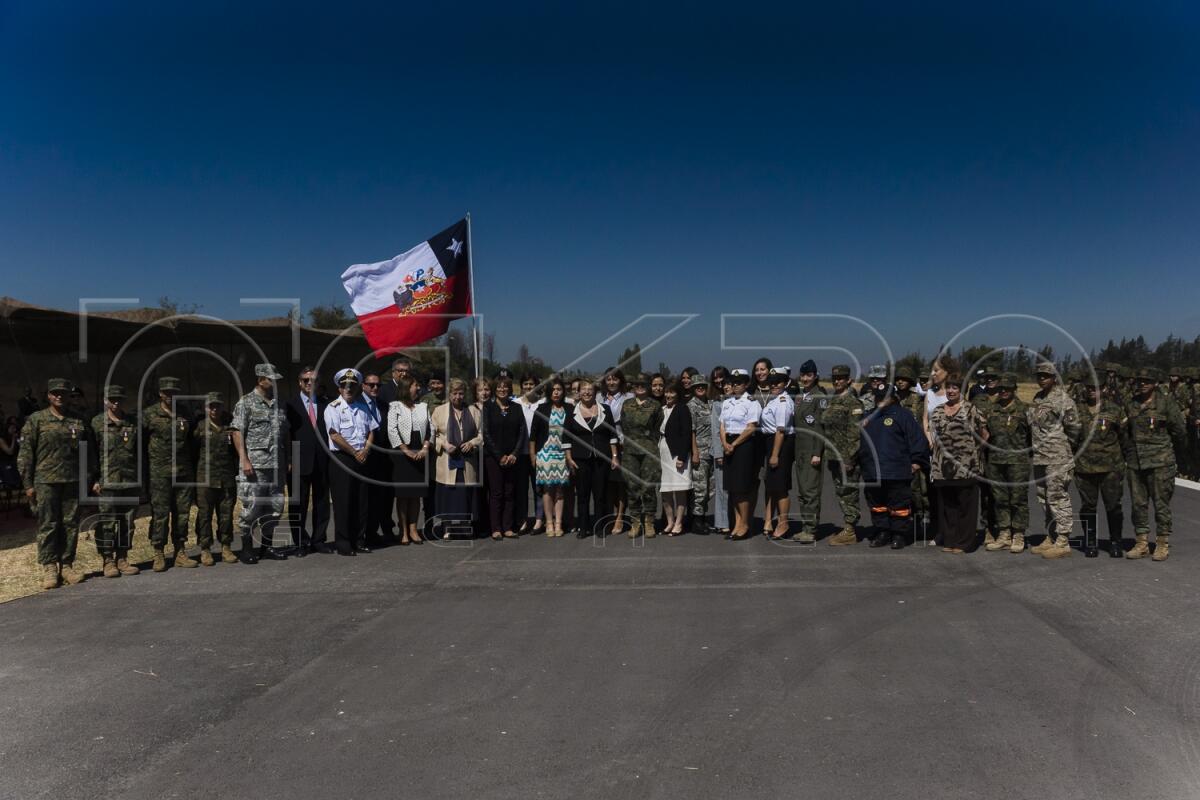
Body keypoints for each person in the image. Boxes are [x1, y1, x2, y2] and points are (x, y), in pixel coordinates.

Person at [19, 378, 91, 590]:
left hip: (72, 481)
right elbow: (25, 455)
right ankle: (50, 566)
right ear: (48, 395)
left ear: (69, 395)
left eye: (63, 392)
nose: (59, 396)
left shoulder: (78, 421)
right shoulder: (36, 420)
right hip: (46, 481)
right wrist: (28, 485)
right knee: (48, 524)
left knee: (70, 524)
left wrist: (88, 477)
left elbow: (87, 453)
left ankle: (67, 565)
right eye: (55, 393)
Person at [1123, 366, 1186, 560]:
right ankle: (1141, 542)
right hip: (1136, 462)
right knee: (1138, 504)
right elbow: (1126, 432)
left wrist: (1170, 454)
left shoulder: (1166, 404)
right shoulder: (1131, 404)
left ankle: (1162, 543)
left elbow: (1179, 432)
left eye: (1147, 381)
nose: (1142, 384)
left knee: (1161, 504)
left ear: (1155, 383)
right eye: (1140, 381)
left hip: (1160, 462)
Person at [860, 381, 930, 549]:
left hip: (896, 470)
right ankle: (883, 532)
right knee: (877, 505)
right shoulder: (868, 417)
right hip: (873, 471)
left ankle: (899, 534)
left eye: (884, 397)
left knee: (899, 505)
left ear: (893, 398)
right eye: (878, 397)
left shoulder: (903, 415)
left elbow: (917, 439)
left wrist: (917, 461)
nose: (880, 400)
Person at [231, 364, 290, 564]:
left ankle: (267, 547)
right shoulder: (246, 402)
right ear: (260, 380)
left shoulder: (279, 404)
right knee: (251, 508)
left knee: (274, 508)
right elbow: (237, 432)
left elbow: (284, 435)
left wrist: (287, 460)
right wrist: (244, 459)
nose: (274, 382)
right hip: (254, 467)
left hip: (276, 466)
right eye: (270, 379)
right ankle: (246, 549)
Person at [928, 373, 988, 554]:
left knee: (966, 506)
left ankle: (963, 543)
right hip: (942, 467)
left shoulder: (971, 409)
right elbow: (933, 433)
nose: (951, 391)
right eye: (949, 387)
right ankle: (950, 539)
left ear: (962, 390)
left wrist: (974, 452)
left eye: (955, 388)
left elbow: (984, 434)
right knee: (947, 506)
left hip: (966, 467)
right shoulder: (938, 410)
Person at [1027, 361, 1081, 560]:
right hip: (1040, 456)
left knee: (1058, 497)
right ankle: (1050, 535)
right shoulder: (1038, 398)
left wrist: (1065, 449)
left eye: (1046, 375)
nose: (1042, 379)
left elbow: (1074, 428)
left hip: (1057, 456)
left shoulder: (1063, 399)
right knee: (1043, 498)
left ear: (1054, 377)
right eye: (1039, 375)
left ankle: (1063, 540)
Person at [143, 376, 197, 571]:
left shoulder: (185, 414)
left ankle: (180, 551)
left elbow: (192, 442)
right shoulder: (148, 415)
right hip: (159, 474)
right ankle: (158, 552)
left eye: (174, 392)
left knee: (182, 513)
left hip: (183, 473)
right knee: (160, 514)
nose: (170, 396)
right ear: (160, 393)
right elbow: (140, 443)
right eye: (167, 393)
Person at [1073, 371, 1128, 558]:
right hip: (1084, 467)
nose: (1091, 391)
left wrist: (1123, 464)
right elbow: (1071, 438)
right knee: (1088, 507)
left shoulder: (1114, 410)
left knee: (1113, 506)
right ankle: (1090, 542)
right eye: (1088, 388)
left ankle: (1115, 542)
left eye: (1095, 388)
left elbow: (1124, 437)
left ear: (1104, 388)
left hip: (1110, 467)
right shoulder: (1077, 410)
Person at [89, 384, 141, 577]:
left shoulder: (132, 423)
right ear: (105, 401)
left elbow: (139, 453)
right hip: (107, 482)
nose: (116, 402)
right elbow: (91, 453)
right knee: (107, 522)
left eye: (119, 399)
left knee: (127, 522)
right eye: (112, 399)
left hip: (129, 481)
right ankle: (108, 560)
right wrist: (94, 479)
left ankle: (122, 558)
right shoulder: (96, 423)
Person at [981, 373, 1032, 554]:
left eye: (1007, 388)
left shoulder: (1024, 410)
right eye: (1001, 388)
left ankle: (1018, 534)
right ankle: (1004, 533)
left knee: (1018, 499)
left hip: (1017, 462)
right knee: (1000, 499)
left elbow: (1032, 437)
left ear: (1014, 389)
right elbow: (985, 434)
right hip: (995, 461)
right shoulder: (991, 410)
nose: (1003, 391)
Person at [284, 366, 332, 555]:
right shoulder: (289, 405)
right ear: (299, 383)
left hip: (322, 461)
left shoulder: (327, 404)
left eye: (313, 380)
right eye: (305, 380)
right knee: (298, 504)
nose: (309, 383)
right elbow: (285, 434)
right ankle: (300, 542)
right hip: (297, 461)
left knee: (321, 502)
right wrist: (288, 458)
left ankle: (318, 540)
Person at [563, 379, 619, 538]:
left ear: (595, 392)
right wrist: (569, 458)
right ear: (578, 392)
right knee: (582, 495)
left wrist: (614, 456)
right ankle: (583, 527)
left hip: (602, 458)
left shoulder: (605, 410)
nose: (587, 392)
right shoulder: (571, 412)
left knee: (600, 494)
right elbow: (566, 438)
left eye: (590, 390)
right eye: (583, 390)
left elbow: (612, 435)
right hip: (580, 459)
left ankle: (600, 526)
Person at [431, 378, 483, 539]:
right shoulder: (439, 411)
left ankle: (464, 527)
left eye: (461, 393)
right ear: (449, 394)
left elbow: (481, 435)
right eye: (454, 394)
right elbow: (432, 435)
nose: (458, 397)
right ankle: (447, 528)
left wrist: (472, 443)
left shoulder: (474, 411)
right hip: (447, 461)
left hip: (467, 461)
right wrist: (444, 444)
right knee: (449, 495)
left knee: (465, 495)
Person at [193, 392, 239, 566]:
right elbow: (192, 452)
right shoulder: (199, 427)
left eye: (217, 406)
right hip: (205, 479)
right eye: (211, 406)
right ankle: (205, 549)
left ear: (222, 407)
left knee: (226, 515)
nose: (214, 409)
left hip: (226, 478)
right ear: (206, 408)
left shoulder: (230, 427)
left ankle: (226, 547)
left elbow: (235, 452)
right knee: (204, 515)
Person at [482, 375, 528, 539]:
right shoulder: (488, 407)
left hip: (512, 457)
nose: (502, 390)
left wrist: (514, 453)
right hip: (493, 457)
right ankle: (496, 528)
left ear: (510, 389)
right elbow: (486, 434)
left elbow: (522, 432)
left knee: (509, 492)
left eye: (505, 387)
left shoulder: (516, 407)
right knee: (496, 493)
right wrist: (499, 455)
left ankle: (508, 527)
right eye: (499, 387)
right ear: (495, 389)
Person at [386, 376, 430, 545]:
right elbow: (392, 430)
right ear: (406, 388)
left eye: (418, 385)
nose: (418, 388)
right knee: (403, 496)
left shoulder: (423, 406)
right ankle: (403, 530)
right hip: (402, 455)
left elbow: (430, 430)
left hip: (420, 452)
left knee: (416, 495)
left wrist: (425, 448)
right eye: (415, 385)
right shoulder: (395, 406)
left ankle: (413, 528)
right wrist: (406, 451)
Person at [823, 364, 863, 546]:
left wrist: (850, 458)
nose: (837, 381)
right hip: (833, 455)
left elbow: (855, 433)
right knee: (841, 492)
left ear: (849, 380)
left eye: (841, 378)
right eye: (834, 378)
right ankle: (848, 527)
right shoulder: (834, 399)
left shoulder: (852, 402)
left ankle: (850, 530)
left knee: (849, 492)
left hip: (846, 457)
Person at [620, 374, 663, 539]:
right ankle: (635, 521)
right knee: (632, 487)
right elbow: (624, 426)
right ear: (633, 387)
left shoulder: (655, 405)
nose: (640, 387)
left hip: (649, 450)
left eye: (643, 384)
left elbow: (657, 425)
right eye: (637, 384)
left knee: (649, 487)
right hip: (630, 450)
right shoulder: (627, 404)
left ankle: (649, 521)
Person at [719, 369, 760, 540]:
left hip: (743, 445)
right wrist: (725, 443)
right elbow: (722, 425)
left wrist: (734, 444)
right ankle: (737, 523)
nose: (734, 386)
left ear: (746, 384)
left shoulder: (751, 403)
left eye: (738, 383)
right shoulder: (727, 403)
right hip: (728, 444)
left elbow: (751, 427)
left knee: (742, 488)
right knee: (732, 488)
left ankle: (744, 523)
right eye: (732, 383)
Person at [530, 378, 572, 536]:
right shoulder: (542, 408)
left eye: (559, 389)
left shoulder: (569, 408)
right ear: (549, 392)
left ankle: (558, 523)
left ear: (563, 391)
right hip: (545, 454)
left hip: (562, 454)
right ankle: (548, 523)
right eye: (553, 389)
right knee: (547, 490)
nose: (556, 392)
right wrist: (533, 455)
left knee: (560, 491)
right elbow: (533, 435)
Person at [791, 360, 827, 544]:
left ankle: (811, 530)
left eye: (809, 375)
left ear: (815, 376)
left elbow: (820, 428)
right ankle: (805, 526)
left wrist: (817, 452)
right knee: (803, 491)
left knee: (811, 491)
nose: (805, 378)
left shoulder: (819, 397)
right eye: (803, 375)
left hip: (812, 450)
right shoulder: (801, 396)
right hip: (800, 451)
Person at [894, 366, 929, 538]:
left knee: (918, 491)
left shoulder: (918, 401)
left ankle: (919, 522)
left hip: (913, 452)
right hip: (896, 452)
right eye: (898, 379)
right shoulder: (891, 399)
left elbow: (923, 427)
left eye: (904, 379)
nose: (900, 381)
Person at [360, 373, 394, 547]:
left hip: (382, 457)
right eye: (371, 385)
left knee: (379, 498)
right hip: (364, 457)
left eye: (378, 385)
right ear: (363, 386)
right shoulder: (357, 404)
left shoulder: (383, 405)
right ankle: (363, 534)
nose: (375, 388)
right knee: (364, 498)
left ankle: (373, 533)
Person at [761, 367, 795, 539]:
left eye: (778, 382)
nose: (774, 385)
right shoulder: (774, 400)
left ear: (786, 382)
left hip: (780, 444)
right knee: (774, 486)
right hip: (771, 442)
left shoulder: (783, 402)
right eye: (772, 382)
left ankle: (783, 523)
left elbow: (780, 431)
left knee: (781, 487)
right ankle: (777, 522)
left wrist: (775, 455)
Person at [601, 368, 634, 535]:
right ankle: (610, 515)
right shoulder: (599, 398)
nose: (611, 382)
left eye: (614, 379)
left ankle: (620, 517)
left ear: (620, 381)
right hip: (602, 446)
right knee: (607, 484)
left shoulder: (629, 398)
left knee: (621, 484)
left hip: (622, 445)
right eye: (608, 379)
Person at [658, 382, 692, 536]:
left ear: (677, 394)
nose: (668, 395)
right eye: (666, 392)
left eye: (672, 393)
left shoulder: (682, 409)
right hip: (663, 452)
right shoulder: (662, 409)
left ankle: (679, 523)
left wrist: (682, 457)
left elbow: (686, 434)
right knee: (665, 490)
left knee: (679, 489)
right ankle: (670, 522)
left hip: (678, 454)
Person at [516, 374, 545, 533]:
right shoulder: (515, 404)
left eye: (531, 384)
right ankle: (523, 519)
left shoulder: (542, 404)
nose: (528, 387)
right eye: (525, 384)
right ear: (521, 386)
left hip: (538, 453)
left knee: (538, 488)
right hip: (520, 454)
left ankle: (539, 519)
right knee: (521, 489)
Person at [686, 374, 714, 534]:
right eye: (697, 386)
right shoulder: (692, 405)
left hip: (712, 451)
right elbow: (692, 431)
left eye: (703, 385)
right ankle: (696, 521)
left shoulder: (710, 403)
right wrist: (695, 452)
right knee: (700, 488)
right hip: (700, 451)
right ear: (693, 388)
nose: (701, 388)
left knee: (711, 487)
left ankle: (701, 517)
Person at [709, 366, 731, 535]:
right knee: (722, 488)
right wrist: (718, 453)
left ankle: (737, 519)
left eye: (721, 377)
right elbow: (716, 430)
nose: (718, 381)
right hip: (720, 449)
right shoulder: (715, 402)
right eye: (715, 378)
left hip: (738, 447)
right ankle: (722, 521)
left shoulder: (738, 398)